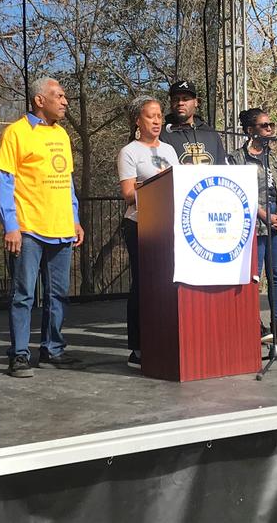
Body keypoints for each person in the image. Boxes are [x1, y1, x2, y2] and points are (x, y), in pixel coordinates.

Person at [0, 77, 85, 378]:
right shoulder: (16, 133)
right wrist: (11, 226)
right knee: (24, 294)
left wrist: (74, 218)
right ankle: (19, 355)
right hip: (29, 228)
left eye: (65, 97)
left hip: (61, 227)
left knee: (58, 294)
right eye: (58, 96)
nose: (64, 102)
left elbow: (68, 182)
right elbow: (5, 182)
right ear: (39, 100)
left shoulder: (62, 135)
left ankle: (52, 349)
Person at [117, 96, 180, 370]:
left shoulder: (169, 150)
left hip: (169, 226)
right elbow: (129, 194)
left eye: (159, 116)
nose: (157, 121)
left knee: (168, 284)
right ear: (137, 120)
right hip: (141, 225)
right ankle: (138, 347)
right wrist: (157, 186)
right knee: (143, 285)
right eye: (151, 116)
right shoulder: (129, 152)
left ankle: (165, 339)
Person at [230, 108, 277, 345]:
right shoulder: (236, 158)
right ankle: (254, 323)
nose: (269, 129)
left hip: (276, 224)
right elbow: (238, 191)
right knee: (254, 276)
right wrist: (263, 214)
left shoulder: (273, 158)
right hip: (254, 225)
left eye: (271, 125)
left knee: (276, 275)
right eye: (264, 125)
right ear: (250, 131)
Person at [159, 79, 229, 165]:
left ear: (196, 102)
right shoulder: (162, 134)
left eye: (185, 99)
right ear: (171, 103)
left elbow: (222, 167)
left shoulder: (211, 133)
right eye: (176, 99)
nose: (180, 103)